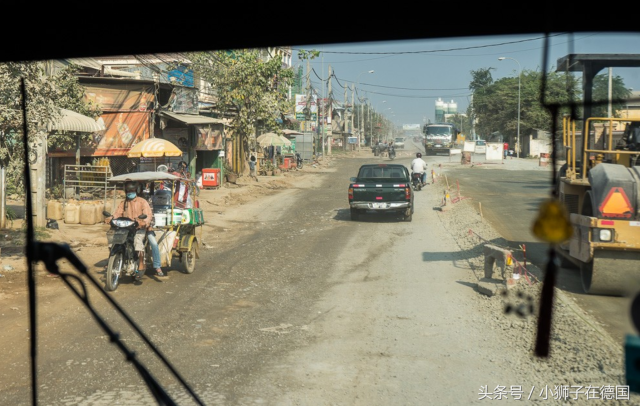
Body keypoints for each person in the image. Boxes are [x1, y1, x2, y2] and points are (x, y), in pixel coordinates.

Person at [106, 181, 165, 279]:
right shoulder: (124, 202)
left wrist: (143, 222)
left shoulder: (143, 201)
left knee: (143, 242)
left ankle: (145, 264)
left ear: (137, 190)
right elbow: (117, 213)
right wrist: (111, 218)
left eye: (132, 190)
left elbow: (148, 215)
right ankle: (113, 261)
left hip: (140, 228)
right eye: (128, 191)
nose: (130, 192)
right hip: (126, 228)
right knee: (113, 240)